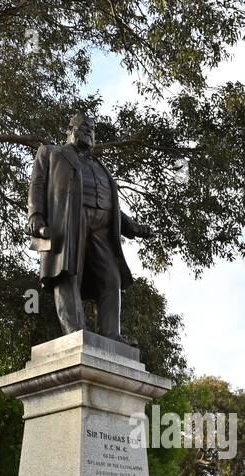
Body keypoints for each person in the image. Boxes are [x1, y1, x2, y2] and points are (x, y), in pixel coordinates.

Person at [27, 113, 153, 341]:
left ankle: (111, 333)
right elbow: (37, 184)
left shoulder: (99, 165)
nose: (89, 131)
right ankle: (75, 331)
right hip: (69, 219)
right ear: (69, 129)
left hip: (103, 226)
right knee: (68, 272)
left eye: (92, 129)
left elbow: (110, 202)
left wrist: (130, 226)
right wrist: (36, 214)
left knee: (111, 278)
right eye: (83, 127)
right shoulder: (51, 153)